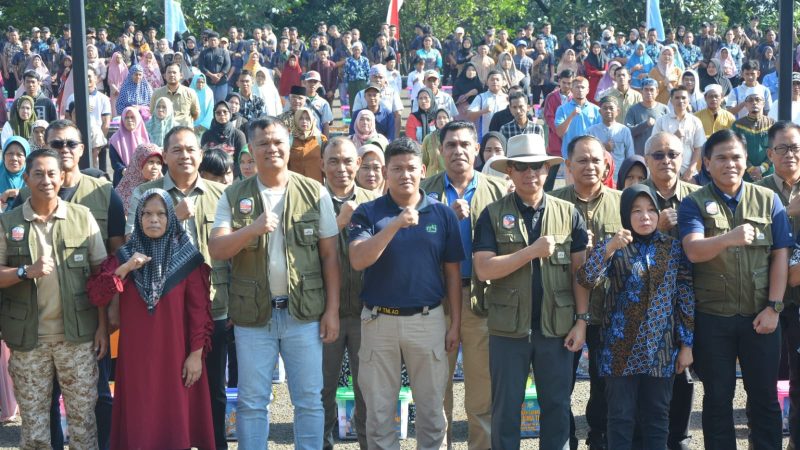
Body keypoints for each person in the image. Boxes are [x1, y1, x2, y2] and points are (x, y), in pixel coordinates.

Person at [208, 117, 340, 449]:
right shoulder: (234, 194)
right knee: (253, 402)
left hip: (303, 314)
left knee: (309, 400)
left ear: (288, 144)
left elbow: (329, 256)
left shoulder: (313, 191)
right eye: (263, 143)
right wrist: (252, 229)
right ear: (250, 149)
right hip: (254, 318)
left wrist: (333, 311)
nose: (272, 149)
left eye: (278, 142)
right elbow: (217, 248)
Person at [473, 133, 589, 449]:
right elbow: (483, 268)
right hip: (509, 331)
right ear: (509, 170)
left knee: (557, 408)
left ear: (547, 170)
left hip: (557, 328)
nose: (530, 174)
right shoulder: (492, 214)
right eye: (522, 167)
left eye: (537, 167)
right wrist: (530, 252)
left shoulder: (569, 213)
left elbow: (580, 273)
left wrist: (581, 320)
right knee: (506, 411)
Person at [678, 129, 791, 450]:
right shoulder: (694, 203)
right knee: (717, 399)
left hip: (761, 318)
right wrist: (729, 238)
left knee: (765, 398)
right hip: (713, 319)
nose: (730, 164)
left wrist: (774, 307)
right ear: (707, 163)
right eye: (722, 158)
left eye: (736, 157)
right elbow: (694, 251)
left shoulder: (767, 200)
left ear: (747, 161)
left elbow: (780, 255)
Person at [348, 136, 462, 450]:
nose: (405, 174)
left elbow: (452, 272)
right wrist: (395, 225)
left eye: (411, 167)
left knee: (431, 411)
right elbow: (358, 259)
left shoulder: (441, 214)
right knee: (379, 413)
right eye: (396, 168)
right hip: (378, 321)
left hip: (427, 320)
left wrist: (455, 324)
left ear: (423, 169)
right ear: (385, 172)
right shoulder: (368, 213)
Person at [125, 126, 231, 450]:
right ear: (165, 156)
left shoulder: (221, 195)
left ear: (200, 154)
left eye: (190, 149)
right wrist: (174, 219)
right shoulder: (145, 194)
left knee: (214, 392)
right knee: (165, 393)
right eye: (177, 150)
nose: (185, 156)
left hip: (214, 306)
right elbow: (133, 246)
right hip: (163, 310)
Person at [87, 188, 215, 449]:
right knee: (141, 419)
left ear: (171, 219)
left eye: (161, 214)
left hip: (176, 355)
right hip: (137, 359)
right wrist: (125, 268)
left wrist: (195, 355)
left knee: (174, 420)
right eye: (146, 214)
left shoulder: (188, 259)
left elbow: (199, 311)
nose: (153, 220)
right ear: (138, 218)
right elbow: (97, 294)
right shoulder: (124, 256)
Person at [0, 148, 107, 449]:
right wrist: (25, 271)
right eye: (38, 173)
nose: (45, 180)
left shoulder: (81, 216)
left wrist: (101, 327)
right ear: (25, 178)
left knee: (84, 427)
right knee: (34, 432)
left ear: (62, 176)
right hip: (29, 342)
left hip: (78, 340)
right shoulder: (8, 223)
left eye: (51, 173)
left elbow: (100, 277)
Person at [577, 184, 694, 450]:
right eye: (637, 211)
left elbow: (685, 298)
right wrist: (607, 247)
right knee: (619, 419)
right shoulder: (618, 246)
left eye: (651, 210)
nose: (645, 217)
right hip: (619, 350)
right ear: (625, 215)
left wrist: (687, 345)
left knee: (657, 419)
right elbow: (585, 278)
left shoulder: (673, 249)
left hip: (661, 350)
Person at [421, 120, 506, 450]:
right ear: (440, 151)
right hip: (435, 300)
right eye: (450, 145)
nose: (457, 151)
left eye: (464, 145)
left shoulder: (499, 190)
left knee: (481, 394)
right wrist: (442, 217)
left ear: (476, 150)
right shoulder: (422, 191)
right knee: (434, 394)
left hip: (481, 301)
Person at [551, 135, 624, 450]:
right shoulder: (553, 203)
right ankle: (565, 437)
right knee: (559, 385)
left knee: (605, 384)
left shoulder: (623, 202)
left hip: (610, 310)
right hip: (563, 310)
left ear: (607, 163)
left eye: (596, 160)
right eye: (581, 160)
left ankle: (599, 437)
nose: (590, 166)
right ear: (568, 165)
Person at [320, 137, 378, 450]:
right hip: (323, 314)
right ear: (322, 165)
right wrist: (337, 223)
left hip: (366, 313)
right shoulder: (310, 201)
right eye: (333, 161)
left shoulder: (375, 201)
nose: (341, 168)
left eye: (346, 161)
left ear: (357, 164)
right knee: (322, 392)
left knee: (367, 391)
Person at [769, 122, 800, 450]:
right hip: (766, 302)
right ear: (769, 153)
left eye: (795, 148)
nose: (790, 154)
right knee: (762, 383)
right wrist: (787, 213)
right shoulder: (757, 191)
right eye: (783, 148)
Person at [651, 86, 707, 180]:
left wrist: (691, 169)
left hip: (689, 172)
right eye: (677, 98)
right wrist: (673, 138)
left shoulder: (695, 121)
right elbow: (654, 145)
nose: (680, 101)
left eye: (683, 98)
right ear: (671, 101)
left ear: (688, 100)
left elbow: (698, 148)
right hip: (666, 170)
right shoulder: (661, 121)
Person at [586, 96, 635, 179]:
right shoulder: (591, 131)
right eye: (605, 108)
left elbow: (630, 154)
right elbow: (587, 153)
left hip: (619, 174)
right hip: (598, 174)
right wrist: (603, 147)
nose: (608, 111)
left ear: (617, 111)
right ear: (600, 111)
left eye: (611, 108)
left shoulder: (624, 130)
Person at [732, 92, 775, 183]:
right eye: (750, 100)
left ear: (763, 104)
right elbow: (735, 149)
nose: (754, 103)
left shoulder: (772, 123)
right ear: (746, 105)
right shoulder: (738, 125)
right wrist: (751, 168)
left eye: (757, 100)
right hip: (745, 172)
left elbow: (776, 147)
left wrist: (763, 168)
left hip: (768, 171)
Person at [555, 76, 602, 159]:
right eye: (577, 87)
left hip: (590, 155)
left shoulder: (596, 110)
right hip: (570, 156)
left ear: (587, 90)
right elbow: (559, 133)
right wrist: (571, 116)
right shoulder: (562, 109)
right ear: (571, 90)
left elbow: (600, 135)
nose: (580, 90)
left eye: (583, 87)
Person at [115, 143, 163, 214]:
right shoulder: (123, 191)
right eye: (151, 162)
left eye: (158, 163)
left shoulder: (164, 187)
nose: (155, 167)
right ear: (138, 163)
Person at [109, 107, 151, 187]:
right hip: (122, 179)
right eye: (126, 117)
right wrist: (123, 170)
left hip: (144, 178)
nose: (129, 120)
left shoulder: (146, 136)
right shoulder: (115, 139)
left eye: (132, 117)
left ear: (138, 118)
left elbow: (151, 156)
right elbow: (115, 162)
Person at [150, 62, 201, 129]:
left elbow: (195, 113)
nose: (172, 75)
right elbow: (153, 112)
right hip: (164, 132)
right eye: (169, 72)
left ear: (181, 75)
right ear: (164, 76)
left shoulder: (190, 93)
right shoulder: (157, 93)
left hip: (184, 131)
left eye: (174, 72)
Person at [625, 78, 669, 155]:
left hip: (660, 154)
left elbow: (669, 132)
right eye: (646, 90)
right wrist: (645, 124)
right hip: (640, 154)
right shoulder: (633, 110)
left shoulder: (664, 109)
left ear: (657, 92)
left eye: (652, 90)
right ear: (641, 91)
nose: (649, 92)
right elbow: (628, 132)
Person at [201, 100, 247, 173]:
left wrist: (229, 175)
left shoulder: (238, 135)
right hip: (211, 174)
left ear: (230, 113)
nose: (222, 114)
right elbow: (204, 159)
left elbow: (240, 160)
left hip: (232, 175)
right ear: (214, 115)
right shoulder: (207, 135)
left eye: (225, 112)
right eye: (218, 112)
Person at [467, 70, 509, 141]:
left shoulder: (508, 98)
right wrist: (484, 111)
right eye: (492, 79)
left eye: (497, 80)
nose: (495, 82)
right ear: (487, 82)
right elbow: (469, 116)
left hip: (505, 136)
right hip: (485, 136)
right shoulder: (481, 97)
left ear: (503, 82)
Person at [288, 107, 327, 183]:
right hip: (296, 186)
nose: (304, 121)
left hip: (316, 187)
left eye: (307, 118)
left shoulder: (321, 139)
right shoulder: (289, 140)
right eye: (301, 118)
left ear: (312, 120)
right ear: (295, 120)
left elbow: (326, 165)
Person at [198, 32, 231, 103]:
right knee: (208, 103)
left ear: (218, 41)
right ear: (208, 41)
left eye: (214, 40)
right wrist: (212, 76)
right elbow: (201, 66)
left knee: (221, 103)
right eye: (211, 40)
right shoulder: (203, 53)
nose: (213, 42)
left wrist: (220, 75)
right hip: (208, 82)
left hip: (221, 82)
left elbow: (227, 65)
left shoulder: (224, 52)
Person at [0, 136, 29, 210]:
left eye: (19, 155)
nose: (14, 158)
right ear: (3, 156)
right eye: (10, 153)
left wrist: (21, 192)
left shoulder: (33, 174)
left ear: (26, 157)